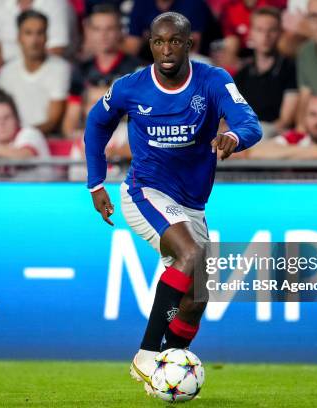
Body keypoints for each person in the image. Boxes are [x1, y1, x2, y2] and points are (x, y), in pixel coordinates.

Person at [84, 12, 261, 392]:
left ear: (188, 45)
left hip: (191, 203)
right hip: (145, 191)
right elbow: (96, 123)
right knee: (192, 256)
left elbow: (251, 123)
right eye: (159, 42)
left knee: (197, 298)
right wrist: (95, 184)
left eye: (175, 41)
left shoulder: (213, 81)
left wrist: (235, 138)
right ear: (150, 45)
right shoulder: (131, 87)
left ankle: (167, 372)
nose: (167, 49)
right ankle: (147, 354)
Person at [62, 4, 141, 139]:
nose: (103, 35)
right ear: (89, 32)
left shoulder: (137, 70)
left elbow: (145, 117)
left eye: (109, 29)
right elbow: (70, 122)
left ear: (120, 31)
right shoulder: (81, 70)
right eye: (97, 29)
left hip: (126, 140)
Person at [0, 10, 70, 135]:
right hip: (10, 140)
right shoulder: (6, 72)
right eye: (28, 33)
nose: (34, 41)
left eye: (40, 33)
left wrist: (21, 136)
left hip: (47, 141)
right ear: (19, 37)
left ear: (47, 37)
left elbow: (52, 121)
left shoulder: (60, 68)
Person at [233, 7, 298, 138]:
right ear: (251, 33)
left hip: (275, 135)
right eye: (260, 30)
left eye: (271, 30)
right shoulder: (242, 74)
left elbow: (285, 120)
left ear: (280, 33)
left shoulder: (290, 69)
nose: (266, 36)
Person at [247, 93, 317, 159]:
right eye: (313, 114)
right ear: (305, 118)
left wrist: (282, 154)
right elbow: (255, 152)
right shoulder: (296, 138)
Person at [0, 0, 72, 70]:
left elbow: (57, 49)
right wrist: (6, 73)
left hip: (45, 72)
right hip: (5, 71)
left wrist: (30, 74)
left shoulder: (55, 3)